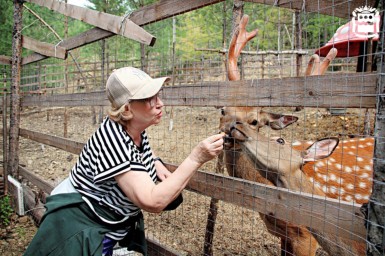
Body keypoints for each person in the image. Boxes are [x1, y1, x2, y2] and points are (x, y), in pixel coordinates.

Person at [24, 67, 224, 256]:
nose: (160, 103)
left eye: (158, 95)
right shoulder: (113, 141)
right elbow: (152, 201)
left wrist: (153, 161)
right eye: (149, 98)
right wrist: (196, 158)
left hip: (103, 223)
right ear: (127, 109)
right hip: (78, 225)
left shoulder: (133, 129)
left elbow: (134, 156)